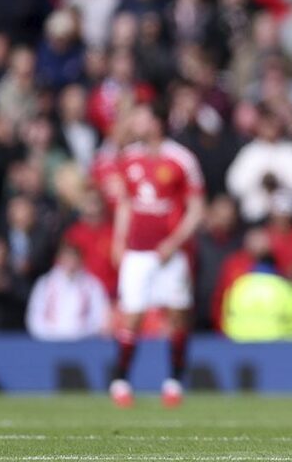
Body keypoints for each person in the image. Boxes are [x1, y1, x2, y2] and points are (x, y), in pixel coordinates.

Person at [109, 103, 205, 408]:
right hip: (137, 251)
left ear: (157, 121)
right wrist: (119, 238)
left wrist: (175, 243)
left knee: (176, 315)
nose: (136, 120)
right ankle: (121, 380)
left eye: (141, 114)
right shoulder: (129, 158)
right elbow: (126, 203)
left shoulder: (181, 160)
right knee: (132, 316)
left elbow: (196, 209)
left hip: (169, 254)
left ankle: (174, 382)